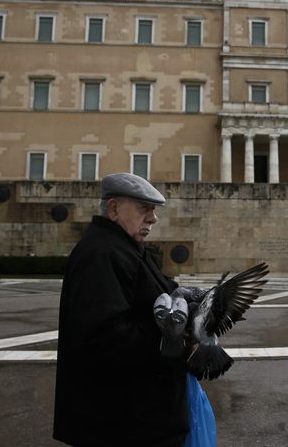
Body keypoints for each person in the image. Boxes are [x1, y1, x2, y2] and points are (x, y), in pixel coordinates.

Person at [54, 173, 190, 446]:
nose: (153, 218)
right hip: (121, 424)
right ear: (114, 209)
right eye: (144, 208)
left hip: (139, 418)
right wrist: (173, 340)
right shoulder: (101, 254)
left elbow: (161, 289)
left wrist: (190, 302)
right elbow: (105, 336)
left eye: (152, 210)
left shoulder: (126, 247)